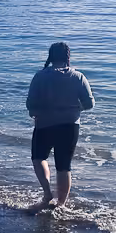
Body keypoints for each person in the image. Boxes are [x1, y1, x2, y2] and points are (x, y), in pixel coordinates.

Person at [26, 42, 94, 208]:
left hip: (44, 124)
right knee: (64, 165)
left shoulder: (40, 76)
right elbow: (90, 103)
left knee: (38, 158)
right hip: (70, 125)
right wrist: (76, 108)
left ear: (50, 56)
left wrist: (34, 111)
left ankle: (47, 193)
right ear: (68, 57)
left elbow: (30, 103)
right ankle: (61, 204)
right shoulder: (78, 76)